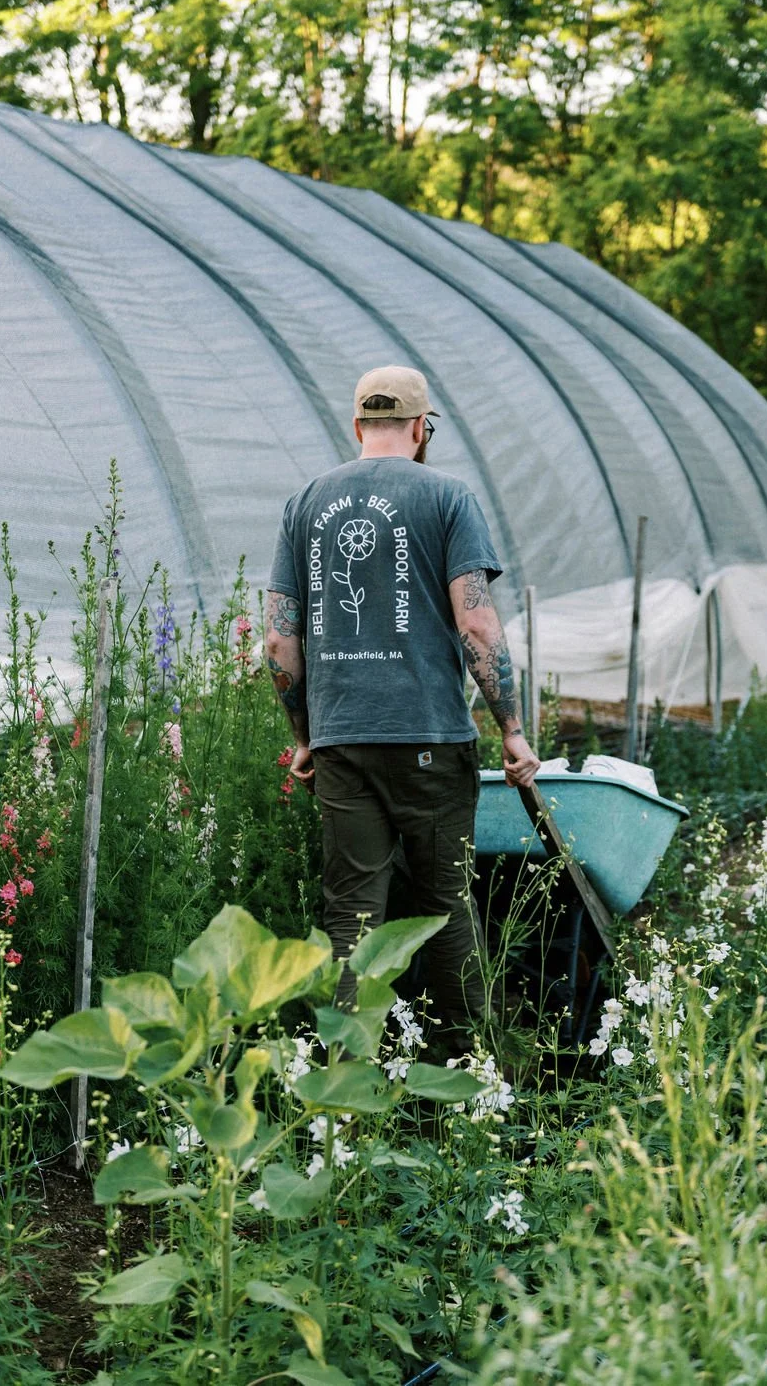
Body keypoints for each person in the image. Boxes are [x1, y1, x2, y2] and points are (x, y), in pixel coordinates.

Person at [265, 364, 539, 1037]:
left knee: (352, 915)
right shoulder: (448, 497)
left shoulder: (303, 505)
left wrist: (305, 734)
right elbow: (476, 624)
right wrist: (511, 726)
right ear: (422, 429)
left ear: (358, 426)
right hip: (429, 740)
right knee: (444, 905)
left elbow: (279, 642)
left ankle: (343, 1091)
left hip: (342, 744)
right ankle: (466, 1078)